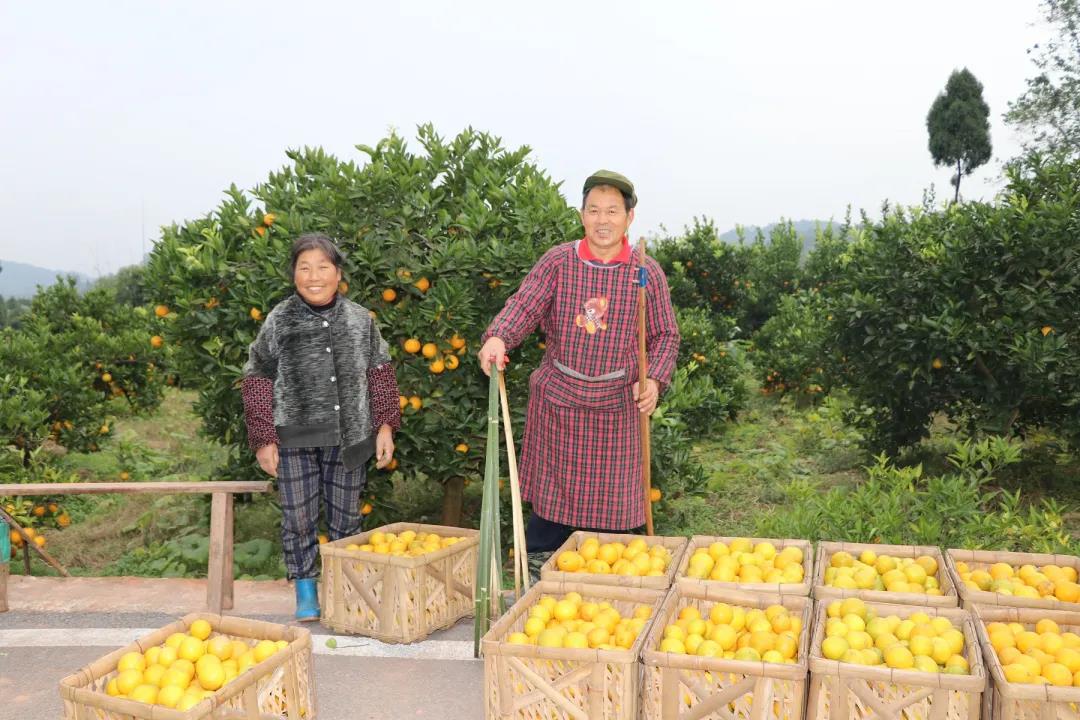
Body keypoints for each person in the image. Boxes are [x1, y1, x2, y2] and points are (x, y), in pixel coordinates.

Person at [478, 170, 680, 570]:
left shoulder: (644, 272)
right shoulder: (558, 261)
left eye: (612, 211)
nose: (602, 220)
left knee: (617, 519)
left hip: (619, 407)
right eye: (593, 210)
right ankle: (540, 584)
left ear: (629, 217)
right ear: (582, 215)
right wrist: (499, 336)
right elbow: (524, 305)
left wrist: (653, 379)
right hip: (558, 403)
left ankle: (612, 593)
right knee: (551, 510)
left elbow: (665, 335)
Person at [242, 232, 400, 620]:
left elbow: (380, 373)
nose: (314, 276)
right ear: (293, 274)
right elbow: (258, 375)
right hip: (294, 438)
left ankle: (346, 589)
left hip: (350, 437)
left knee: (347, 519)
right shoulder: (280, 319)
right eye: (304, 268)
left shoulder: (360, 320)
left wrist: (385, 427)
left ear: (338, 272)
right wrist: (263, 437)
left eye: (323, 267)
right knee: (298, 517)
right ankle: (306, 588)